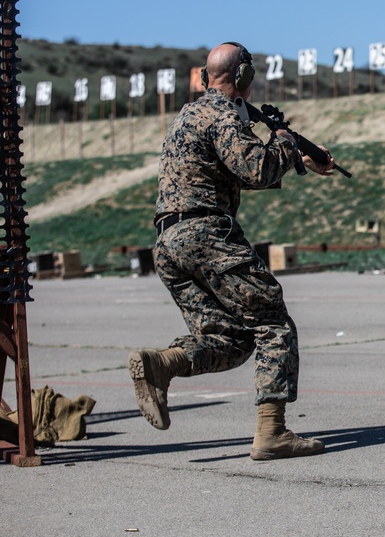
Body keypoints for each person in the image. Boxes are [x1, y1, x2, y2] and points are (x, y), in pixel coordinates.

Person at [128, 41, 334, 460]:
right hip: (207, 234)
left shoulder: (187, 115)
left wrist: (296, 156)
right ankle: (272, 433)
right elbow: (255, 168)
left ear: (205, 77)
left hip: (169, 243)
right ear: (244, 78)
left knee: (230, 338)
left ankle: (163, 363)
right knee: (273, 324)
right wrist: (285, 142)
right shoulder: (222, 114)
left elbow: (225, 169)